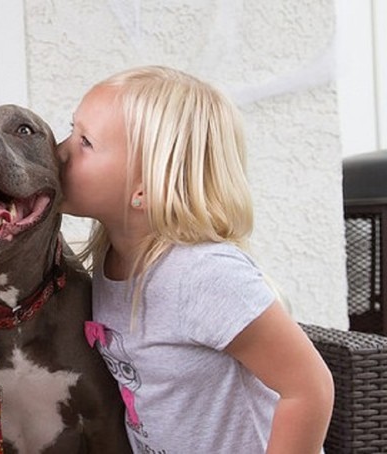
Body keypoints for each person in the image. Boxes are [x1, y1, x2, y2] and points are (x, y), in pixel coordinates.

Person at [58, 65, 334, 453]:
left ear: (145, 186)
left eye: (85, 141)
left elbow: (308, 387)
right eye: (71, 129)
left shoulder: (201, 274)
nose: (60, 151)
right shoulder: (113, 262)